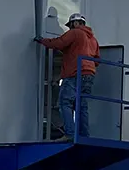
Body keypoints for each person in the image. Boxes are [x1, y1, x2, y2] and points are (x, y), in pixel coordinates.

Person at [35, 12, 100, 140]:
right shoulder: (93, 39)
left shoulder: (76, 32)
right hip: (89, 74)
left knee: (65, 102)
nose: (70, 28)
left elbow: (59, 43)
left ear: (75, 23)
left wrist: (42, 41)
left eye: (70, 25)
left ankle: (69, 133)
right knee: (81, 106)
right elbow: (97, 60)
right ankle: (84, 136)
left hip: (75, 73)